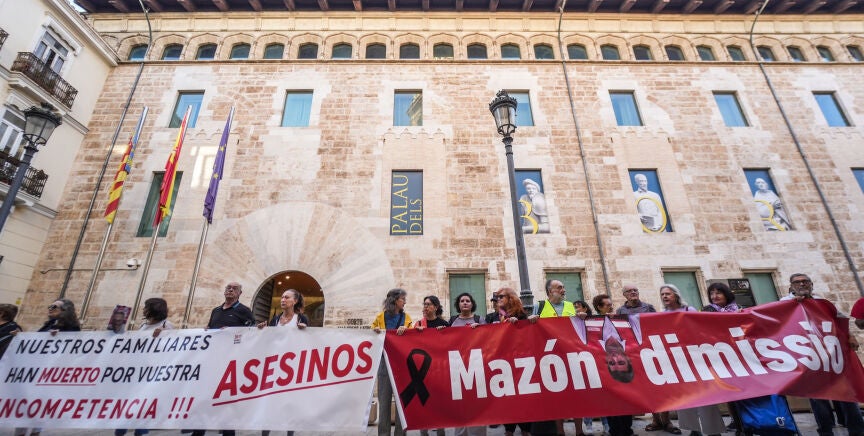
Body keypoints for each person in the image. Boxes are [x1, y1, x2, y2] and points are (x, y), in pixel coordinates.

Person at [781, 273, 863, 436]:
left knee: (846, 391)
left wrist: (850, 336)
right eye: (797, 282)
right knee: (818, 396)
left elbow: (839, 320)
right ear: (791, 287)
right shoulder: (784, 303)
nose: (802, 284)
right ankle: (825, 430)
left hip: (832, 354)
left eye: (805, 281)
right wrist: (793, 305)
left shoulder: (822, 302)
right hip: (808, 356)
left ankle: (857, 429)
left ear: (811, 284)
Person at [193, 283, 255, 436]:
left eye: (234, 288)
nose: (230, 290)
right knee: (204, 397)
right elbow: (210, 327)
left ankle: (228, 432)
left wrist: (232, 332)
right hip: (212, 360)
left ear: (240, 293)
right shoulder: (216, 310)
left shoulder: (244, 311)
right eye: (228, 287)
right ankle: (198, 430)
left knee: (226, 400)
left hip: (230, 362)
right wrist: (207, 330)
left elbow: (251, 332)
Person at [658, 284, 721, 436]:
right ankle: (694, 429)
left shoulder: (689, 310)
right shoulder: (662, 315)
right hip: (677, 359)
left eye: (668, 293)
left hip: (696, 357)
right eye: (662, 294)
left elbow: (700, 330)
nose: (665, 296)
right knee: (685, 396)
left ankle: (713, 430)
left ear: (676, 295)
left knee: (706, 394)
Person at [116, 299, 175, 436]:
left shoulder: (166, 325)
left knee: (144, 402)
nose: (143, 310)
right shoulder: (143, 325)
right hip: (138, 368)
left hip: (153, 370)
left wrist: (162, 334)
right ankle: (123, 427)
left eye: (146, 307)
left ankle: (140, 431)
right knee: (131, 400)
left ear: (154, 309)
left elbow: (172, 346)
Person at [528, 280, 576, 435]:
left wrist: (582, 317)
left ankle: (579, 431)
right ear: (550, 291)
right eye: (559, 287)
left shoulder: (570, 306)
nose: (563, 290)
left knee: (576, 394)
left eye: (563, 287)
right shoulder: (539, 306)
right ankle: (560, 431)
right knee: (555, 396)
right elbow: (531, 329)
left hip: (570, 356)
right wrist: (531, 320)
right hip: (549, 358)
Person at [257, 290, 307, 436]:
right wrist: (262, 331)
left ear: (295, 301)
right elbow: (269, 340)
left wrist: (305, 331)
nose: (283, 299)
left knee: (290, 402)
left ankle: (289, 433)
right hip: (274, 366)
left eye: (287, 297)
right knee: (270, 401)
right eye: (282, 297)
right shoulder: (275, 319)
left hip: (293, 368)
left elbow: (308, 342)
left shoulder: (301, 318)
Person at [371, 288, 412, 436]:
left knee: (402, 402)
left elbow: (413, 337)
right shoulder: (380, 317)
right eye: (403, 299)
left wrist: (406, 330)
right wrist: (375, 331)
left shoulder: (407, 318)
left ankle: (400, 434)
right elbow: (371, 334)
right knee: (384, 400)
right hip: (384, 362)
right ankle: (383, 434)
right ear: (395, 300)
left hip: (401, 363)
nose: (405, 302)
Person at [495, 287, 533, 436]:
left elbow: (527, 334)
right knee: (507, 397)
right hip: (502, 362)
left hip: (519, 361)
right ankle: (509, 430)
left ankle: (525, 429)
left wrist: (525, 322)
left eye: (501, 296)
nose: (498, 299)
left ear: (510, 298)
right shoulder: (494, 316)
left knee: (523, 396)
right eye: (497, 297)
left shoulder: (521, 314)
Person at [448, 293, 486, 436]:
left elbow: (489, 338)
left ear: (472, 304)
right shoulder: (452, 321)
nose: (465, 303)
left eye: (467, 301)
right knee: (460, 404)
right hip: (458, 367)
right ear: (458, 304)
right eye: (462, 301)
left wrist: (480, 330)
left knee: (477, 402)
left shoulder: (479, 320)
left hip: (476, 366)